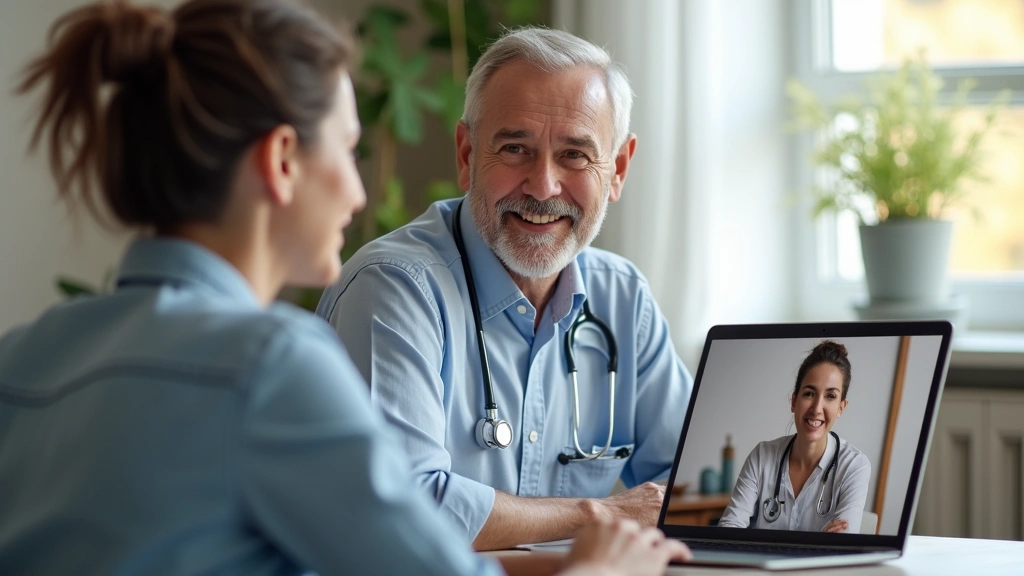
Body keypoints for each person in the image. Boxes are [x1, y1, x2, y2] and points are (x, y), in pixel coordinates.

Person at [0, 1, 692, 574]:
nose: (359, 191)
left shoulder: (22, 356)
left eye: (573, 154)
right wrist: (604, 567)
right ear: (282, 162)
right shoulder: (273, 364)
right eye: (347, 146)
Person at [316, 27, 694, 550]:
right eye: (515, 148)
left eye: (575, 156)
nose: (543, 187)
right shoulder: (394, 290)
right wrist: (597, 514)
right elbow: (405, 513)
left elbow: (691, 486)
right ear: (468, 154)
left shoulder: (623, 299)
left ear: (619, 169)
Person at [718, 341, 871, 533]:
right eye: (809, 394)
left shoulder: (854, 467)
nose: (816, 409)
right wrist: (818, 542)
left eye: (830, 396)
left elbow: (841, 548)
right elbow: (728, 529)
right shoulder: (762, 456)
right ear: (794, 401)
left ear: (841, 407)